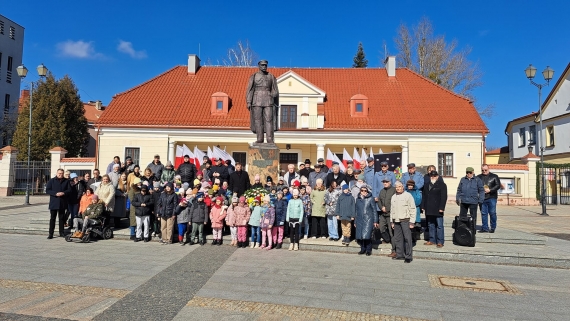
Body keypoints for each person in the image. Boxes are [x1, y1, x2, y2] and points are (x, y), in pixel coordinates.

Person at [246, 60, 279, 144]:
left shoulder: (271, 76)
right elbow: (250, 90)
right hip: (257, 100)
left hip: (268, 100)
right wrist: (249, 101)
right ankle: (260, 138)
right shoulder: (254, 76)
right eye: (262, 65)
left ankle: (269, 139)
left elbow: (275, 90)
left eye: (265, 65)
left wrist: (273, 94)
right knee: (258, 120)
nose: (264, 66)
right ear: (259, 66)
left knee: (269, 119)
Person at [390, 181, 416, 263]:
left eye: (399, 186)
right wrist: (391, 221)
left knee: (407, 239)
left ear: (403, 187)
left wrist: (412, 222)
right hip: (396, 221)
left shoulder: (408, 196)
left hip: (405, 220)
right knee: (398, 239)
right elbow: (392, 210)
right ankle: (400, 254)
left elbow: (412, 209)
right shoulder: (393, 197)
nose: (398, 188)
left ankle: (408, 256)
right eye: (396, 187)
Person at [422, 171, 448, 247]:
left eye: (434, 176)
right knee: (430, 224)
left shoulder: (442, 185)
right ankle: (432, 240)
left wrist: (442, 207)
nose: (432, 177)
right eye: (431, 176)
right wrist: (423, 206)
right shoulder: (426, 185)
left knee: (439, 225)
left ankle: (440, 241)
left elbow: (444, 197)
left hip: (438, 208)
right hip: (429, 208)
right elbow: (424, 196)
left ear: (437, 177)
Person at [46, 169, 71, 239]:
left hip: (62, 203)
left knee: (62, 219)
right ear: (57, 173)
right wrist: (55, 193)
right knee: (52, 219)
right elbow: (47, 190)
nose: (60, 174)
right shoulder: (52, 180)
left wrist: (64, 193)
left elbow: (69, 190)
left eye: (62, 173)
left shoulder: (66, 181)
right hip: (54, 202)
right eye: (59, 173)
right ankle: (51, 234)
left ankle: (61, 232)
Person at [354, 184, 378, 256]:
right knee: (361, 236)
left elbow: (374, 210)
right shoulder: (358, 199)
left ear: (367, 191)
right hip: (359, 219)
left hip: (368, 219)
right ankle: (362, 249)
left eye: (365, 190)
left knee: (367, 236)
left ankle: (368, 250)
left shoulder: (370, 199)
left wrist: (375, 221)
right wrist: (355, 221)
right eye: (362, 190)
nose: (363, 192)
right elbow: (356, 211)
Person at [477, 164, 500, 233]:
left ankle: (493, 227)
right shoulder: (478, 177)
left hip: (492, 197)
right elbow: (476, 186)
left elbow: (498, 185)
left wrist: (490, 190)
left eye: (485, 170)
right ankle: (485, 228)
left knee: (492, 213)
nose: (484, 171)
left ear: (488, 169)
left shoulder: (494, 176)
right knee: (484, 213)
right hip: (482, 198)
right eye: (482, 170)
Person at [377, 178, 396, 257]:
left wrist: (387, 209)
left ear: (390, 182)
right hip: (383, 214)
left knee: (392, 232)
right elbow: (379, 201)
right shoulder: (382, 191)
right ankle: (387, 239)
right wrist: (381, 207)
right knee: (381, 228)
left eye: (386, 182)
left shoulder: (394, 190)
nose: (385, 183)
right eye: (384, 182)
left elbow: (395, 202)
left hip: (391, 214)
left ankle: (395, 250)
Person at [406, 180, 423, 245]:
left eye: (411, 185)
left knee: (415, 224)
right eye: (409, 185)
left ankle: (415, 238)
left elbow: (418, 199)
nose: (410, 187)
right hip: (407, 210)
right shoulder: (405, 191)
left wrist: (412, 204)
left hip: (415, 209)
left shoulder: (417, 191)